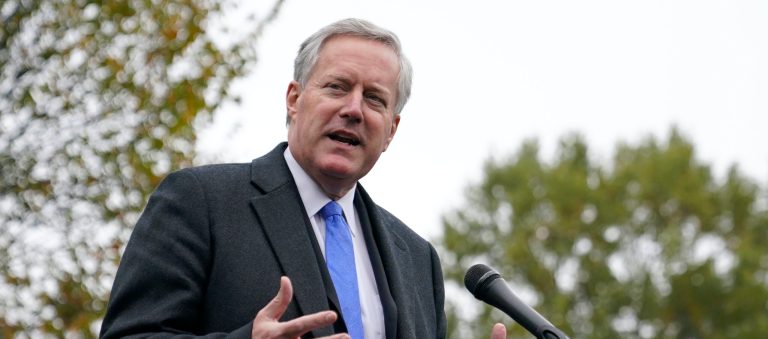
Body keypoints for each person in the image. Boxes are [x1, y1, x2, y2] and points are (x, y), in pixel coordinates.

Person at [100, 18, 507, 339]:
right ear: (294, 99)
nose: (354, 109)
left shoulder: (419, 259)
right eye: (337, 87)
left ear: (391, 130)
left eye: (374, 99)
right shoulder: (200, 202)